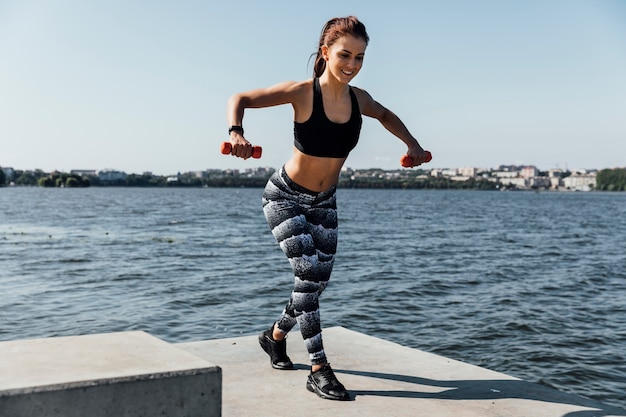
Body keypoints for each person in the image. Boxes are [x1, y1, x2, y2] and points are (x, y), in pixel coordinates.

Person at [225, 16, 430, 401]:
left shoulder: (359, 100)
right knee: (307, 276)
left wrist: (412, 144)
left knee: (315, 284)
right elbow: (241, 99)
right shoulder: (303, 92)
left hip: (324, 203)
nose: (352, 64)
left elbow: (385, 115)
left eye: (360, 57)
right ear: (325, 53)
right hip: (284, 196)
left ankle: (274, 337)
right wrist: (235, 131)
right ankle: (319, 368)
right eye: (345, 55)